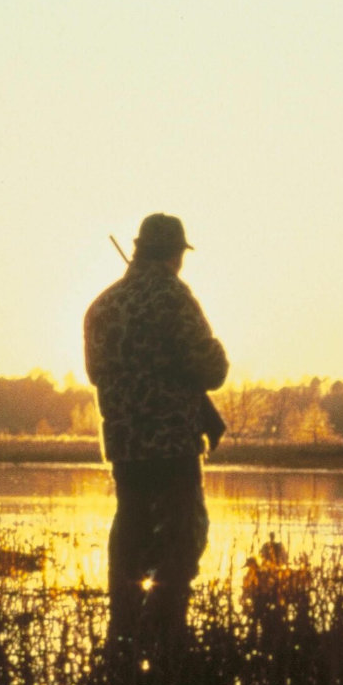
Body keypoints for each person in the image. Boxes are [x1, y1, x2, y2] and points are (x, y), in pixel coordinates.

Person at [84, 213, 229, 644]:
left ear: (138, 248)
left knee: (130, 528)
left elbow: (95, 374)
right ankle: (166, 628)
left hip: (125, 448)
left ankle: (125, 628)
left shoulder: (102, 305)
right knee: (183, 535)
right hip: (173, 446)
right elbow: (211, 370)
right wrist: (216, 353)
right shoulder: (173, 296)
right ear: (174, 254)